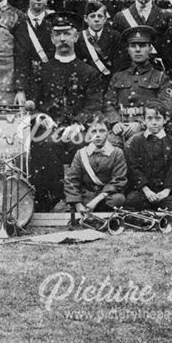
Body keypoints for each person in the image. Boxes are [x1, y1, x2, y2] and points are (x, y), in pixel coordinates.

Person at [29, 11, 104, 210]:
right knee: (43, 144)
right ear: (52, 38)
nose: (63, 39)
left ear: (76, 36)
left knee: (87, 144)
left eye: (67, 33)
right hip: (48, 128)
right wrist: (41, 117)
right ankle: (49, 200)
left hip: (78, 130)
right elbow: (32, 104)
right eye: (58, 34)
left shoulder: (88, 72)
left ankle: (82, 199)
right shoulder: (41, 71)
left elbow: (94, 105)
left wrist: (79, 123)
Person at [104, 26, 172, 144]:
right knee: (108, 152)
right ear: (128, 49)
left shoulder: (160, 77)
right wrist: (115, 122)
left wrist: (142, 124)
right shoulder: (118, 76)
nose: (137, 50)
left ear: (150, 48)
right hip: (121, 131)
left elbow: (166, 108)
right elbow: (108, 103)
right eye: (133, 46)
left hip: (150, 130)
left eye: (142, 46)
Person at [123, 102, 172, 212]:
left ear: (165, 120)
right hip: (143, 191)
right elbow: (134, 168)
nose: (154, 122)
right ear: (143, 120)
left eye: (158, 118)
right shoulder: (136, 142)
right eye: (149, 118)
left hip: (163, 192)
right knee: (132, 202)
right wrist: (146, 190)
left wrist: (166, 191)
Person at [111, 0, 172, 71]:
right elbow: (118, 52)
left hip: (157, 73)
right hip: (130, 73)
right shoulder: (121, 17)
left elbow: (169, 51)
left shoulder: (165, 16)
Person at [63, 117, 127, 213]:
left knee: (118, 199)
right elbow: (72, 180)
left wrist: (96, 201)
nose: (97, 135)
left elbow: (118, 181)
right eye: (93, 131)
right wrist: (78, 204)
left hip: (106, 196)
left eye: (102, 131)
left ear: (108, 133)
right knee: (59, 209)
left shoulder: (117, 153)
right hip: (86, 195)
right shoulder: (81, 153)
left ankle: (93, 209)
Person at [76, 0, 120, 83]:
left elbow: (118, 64)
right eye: (92, 16)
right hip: (86, 82)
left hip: (109, 82)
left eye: (100, 16)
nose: (96, 19)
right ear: (85, 18)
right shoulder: (78, 38)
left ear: (105, 19)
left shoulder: (115, 36)